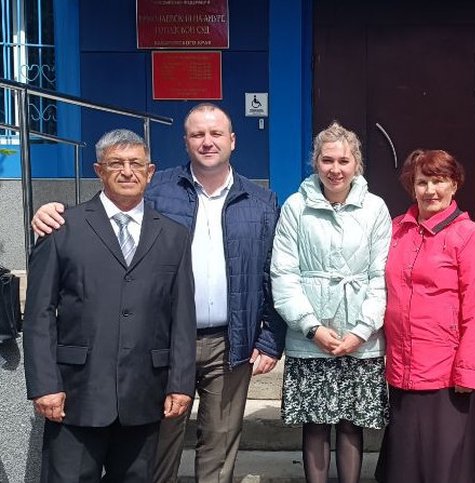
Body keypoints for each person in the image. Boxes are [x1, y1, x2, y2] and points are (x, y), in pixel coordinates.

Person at [31, 103, 285, 483]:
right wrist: (51, 210)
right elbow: (108, 209)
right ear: (185, 142)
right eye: (198, 134)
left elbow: (272, 273)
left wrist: (269, 337)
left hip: (231, 342)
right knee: (157, 451)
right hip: (160, 345)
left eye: (216, 134)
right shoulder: (159, 188)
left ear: (232, 140)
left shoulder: (262, 201)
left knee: (219, 445)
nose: (208, 142)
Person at [23, 129, 196, 482]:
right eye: (116, 163)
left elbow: (181, 315)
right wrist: (44, 384)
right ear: (99, 170)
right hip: (75, 394)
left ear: (150, 172)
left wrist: (180, 383)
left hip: (144, 394)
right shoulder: (61, 228)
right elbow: (39, 314)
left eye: (136, 164)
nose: (127, 171)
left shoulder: (174, 236)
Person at [270, 121, 391, 483]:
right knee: (316, 424)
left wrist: (362, 330)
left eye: (343, 160)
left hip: (360, 338)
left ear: (357, 164)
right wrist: (311, 326)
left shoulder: (375, 209)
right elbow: (283, 273)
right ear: (315, 163)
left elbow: (381, 277)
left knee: (353, 424)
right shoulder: (295, 208)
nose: (335, 169)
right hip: (310, 337)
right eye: (327, 160)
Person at [375, 149, 475, 483]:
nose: (430, 191)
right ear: (412, 187)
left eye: (439, 181)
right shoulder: (397, 229)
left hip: (447, 373)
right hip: (402, 367)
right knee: (406, 464)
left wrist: (469, 371)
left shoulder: (467, 235)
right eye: (422, 182)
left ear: (454, 185)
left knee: (445, 466)